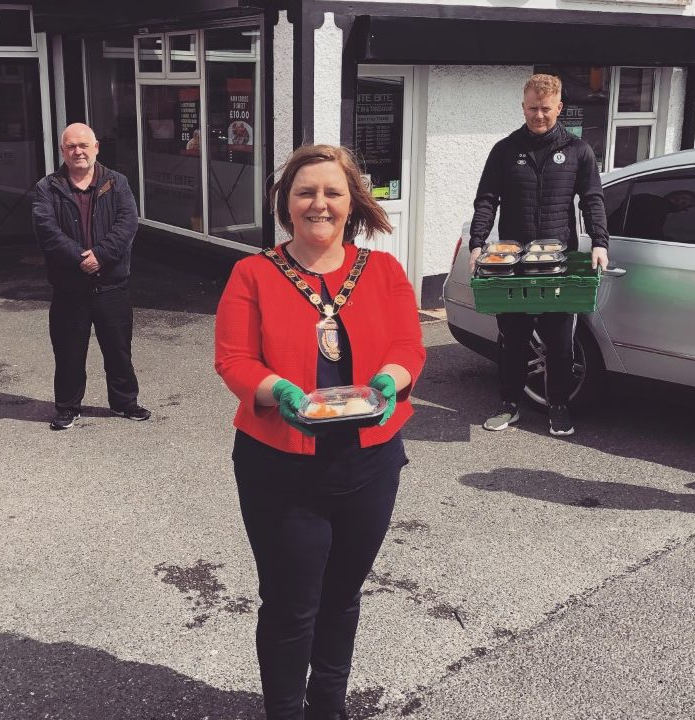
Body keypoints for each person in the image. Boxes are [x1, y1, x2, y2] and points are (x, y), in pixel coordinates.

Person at [215, 144, 425, 720]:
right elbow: (234, 359)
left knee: (342, 599)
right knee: (290, 607)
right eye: (305, 192)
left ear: (352, 202)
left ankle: (328, 708)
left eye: (333, 192)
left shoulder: (383, 270)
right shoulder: (253, 273)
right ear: (286, 203)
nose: (320, 204)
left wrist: (388, 383)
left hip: (369, 465)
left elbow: (409, 345)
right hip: (281, 467)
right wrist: (276, 390)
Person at [467, 73, 610, 437]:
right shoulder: (505, 150)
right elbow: (487, 200)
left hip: (557, 265)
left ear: (559, 107)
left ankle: (558, 406)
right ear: (523, 107)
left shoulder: (578, 151)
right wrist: (477, 242)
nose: (539, 115)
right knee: (512, 340)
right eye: (532, 108)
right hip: (513, 265)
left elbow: (592, 199)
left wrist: (600, 242)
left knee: (560, 342)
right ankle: (509, 404)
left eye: (545, 109)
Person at [33, 123, 149, 430]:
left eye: (84, 145)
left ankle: (125, 402)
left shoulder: (116, 182)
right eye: (71, 146)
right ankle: (67, 407)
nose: (78, 151)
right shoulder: (47, 187)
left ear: (96, 147)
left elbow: (127, 224)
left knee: (118, 349)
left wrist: (100, 255)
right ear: (63, 151)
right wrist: (79, 257)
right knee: (68, 352)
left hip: (111, 284)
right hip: (69, 287)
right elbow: (47, 231)